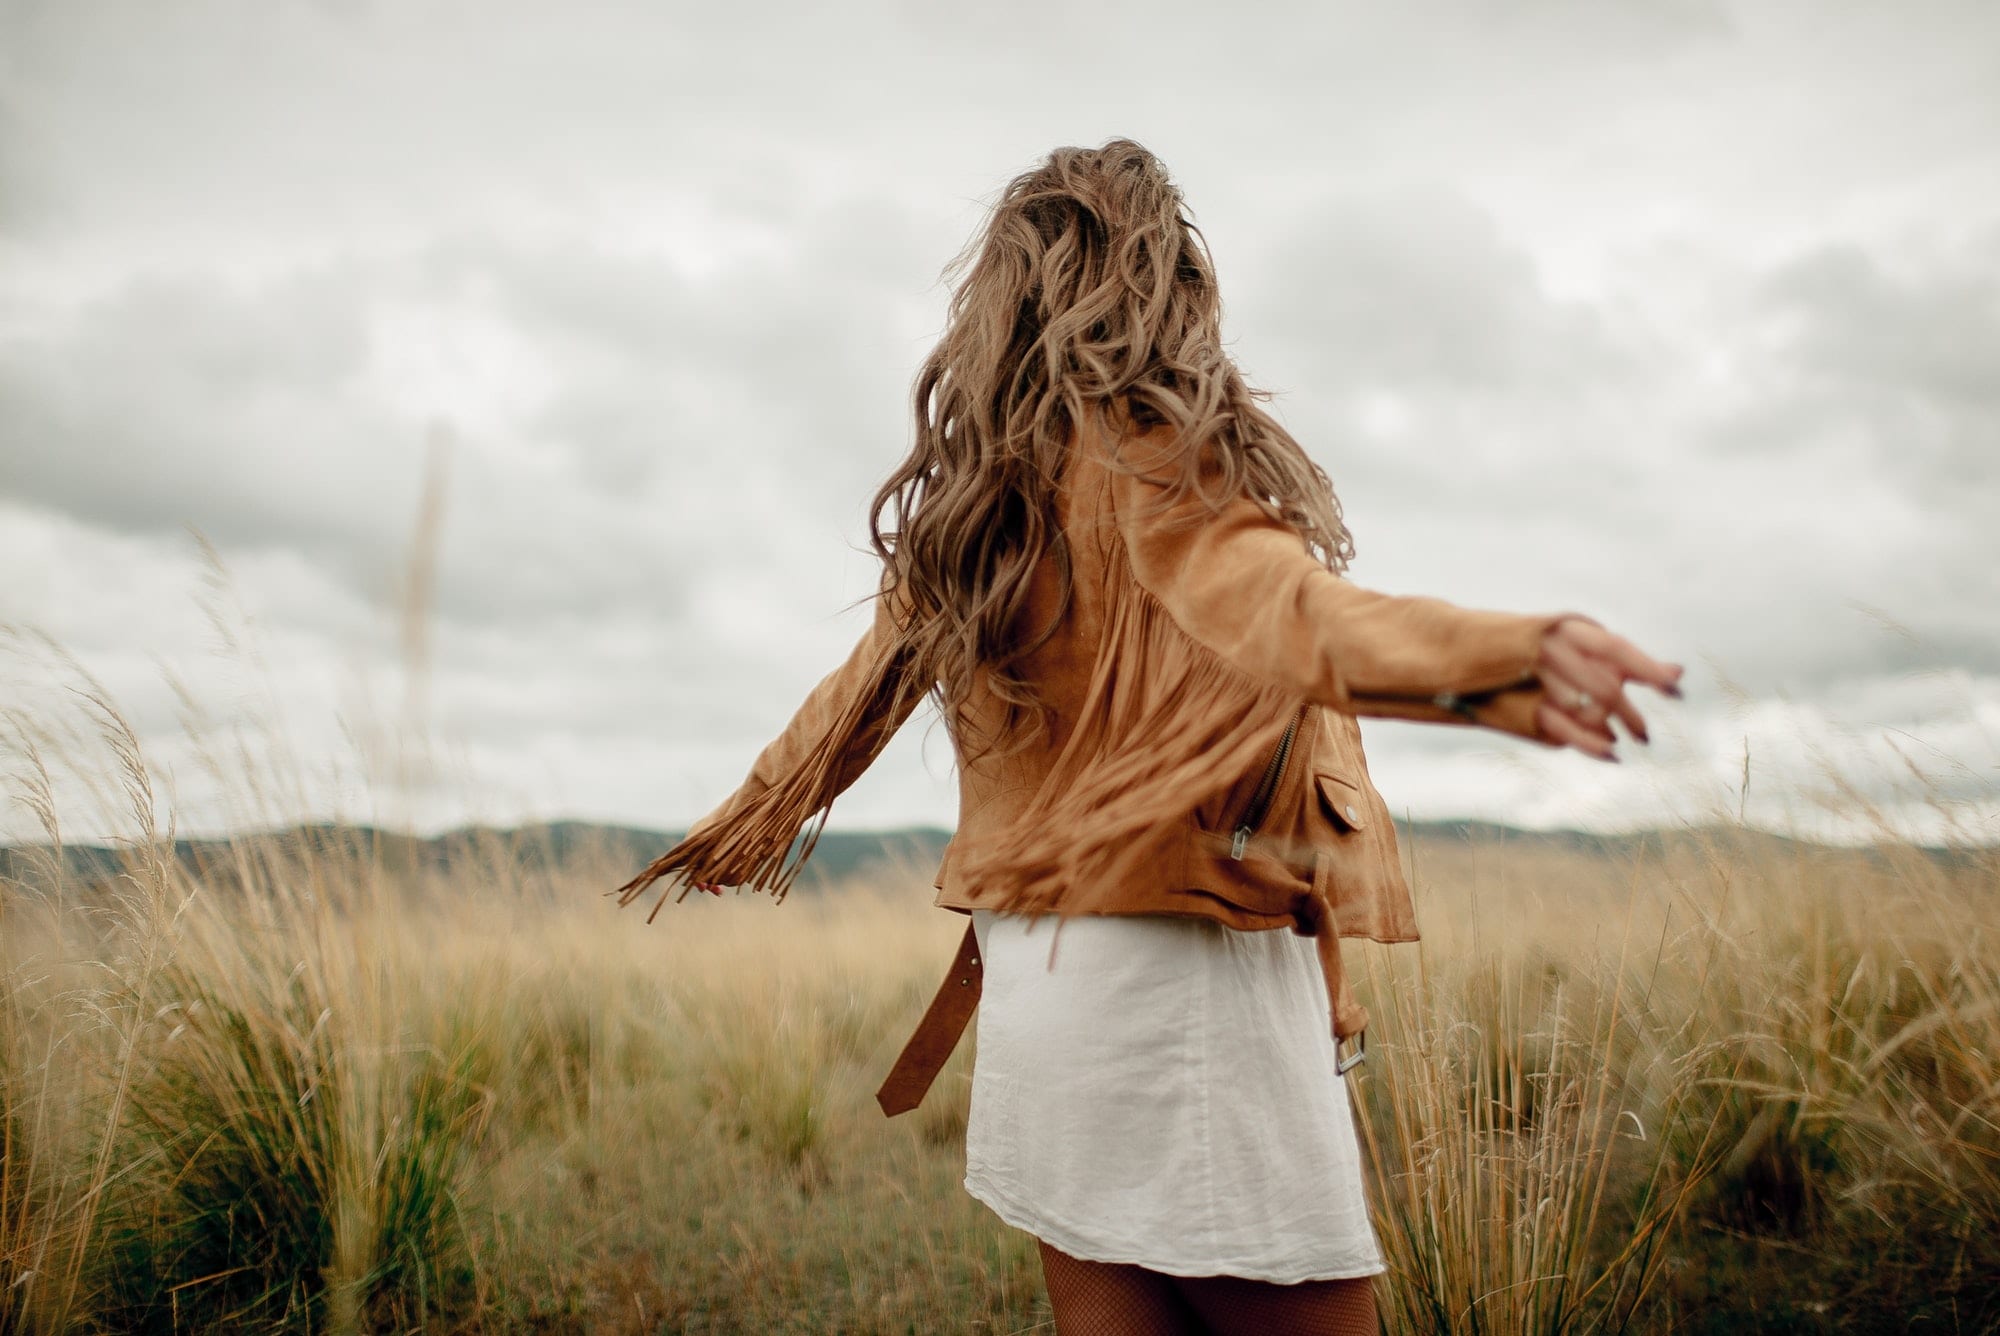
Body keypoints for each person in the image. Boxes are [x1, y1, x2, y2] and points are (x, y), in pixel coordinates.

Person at [617, 139, 1682, 1336]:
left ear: (1000, 306)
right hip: (1184, 995)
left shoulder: (975, 511)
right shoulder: (1158, 462)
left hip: (1039, 991)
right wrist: (1495, 662)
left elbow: (843, 701)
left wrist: (735, 822)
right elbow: (1288, 613)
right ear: (1162, 281)